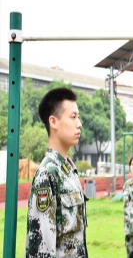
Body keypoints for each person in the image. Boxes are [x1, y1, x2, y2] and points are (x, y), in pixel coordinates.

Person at [25, 88, 88, 258]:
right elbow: (41, 250)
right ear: (53, 122)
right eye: (73, 117)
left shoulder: (68, 171)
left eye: (78, 117)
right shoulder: (47, 175)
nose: (79, 123)